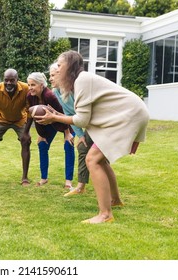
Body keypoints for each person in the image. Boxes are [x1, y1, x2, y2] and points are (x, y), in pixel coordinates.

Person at [35, 51, 149, 224]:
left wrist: (54, 118)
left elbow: (81, 120)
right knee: (100, 160)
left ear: (70, 66)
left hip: (127, 115)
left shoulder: (82, 80)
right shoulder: (78, 82)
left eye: (59, 65)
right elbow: (79, 115)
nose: (56, 70)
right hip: (129, 113)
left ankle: (105, 214)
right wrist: (57, 114)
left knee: (92, 160)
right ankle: (115, 200)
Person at [48, 63, 92, 196]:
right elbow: (69, 115)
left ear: (62, 75)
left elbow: (83, 114)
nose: (50, 79)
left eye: (53, 75)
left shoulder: (75, 89)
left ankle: (86, 186)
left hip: (96, 121)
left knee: (97, 157)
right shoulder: (56, 92)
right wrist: (80, 135)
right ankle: (81, 187)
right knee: (83, 148)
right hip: (84, 122)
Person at [24, 72, 73, 187]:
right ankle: (44, 178)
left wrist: (67, 133)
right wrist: (41, 134)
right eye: (29, 85)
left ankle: (68, 181)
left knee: (68, 145)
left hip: (63, 121)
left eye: (33, 85)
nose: (30, 88)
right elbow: (34, 116)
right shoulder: (30, 96)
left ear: (41, 85)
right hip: (48, 123)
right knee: (42, 145)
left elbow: (62, 113)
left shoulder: (50, 96)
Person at [0, 68, 31, 186]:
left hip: (20, 120)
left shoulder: (26, 89)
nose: (9, 83)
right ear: (3, 79)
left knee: (26, 141)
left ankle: (25, 178)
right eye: (6, 80)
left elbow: (29, 111)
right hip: (2, 119)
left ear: (17, 80)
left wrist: (26, 132)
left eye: (12, 80)